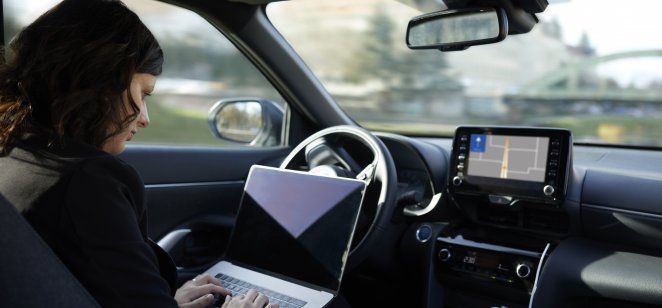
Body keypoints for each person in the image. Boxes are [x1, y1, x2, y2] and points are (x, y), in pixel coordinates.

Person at [0, 0, 276, 307]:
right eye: (143, 93)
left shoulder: (13, 153)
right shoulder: (88, 182)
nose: (145, 118)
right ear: (100, 81)